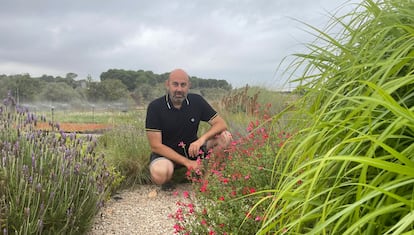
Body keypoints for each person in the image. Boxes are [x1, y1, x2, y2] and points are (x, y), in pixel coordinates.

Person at [145, 68, 232, 190]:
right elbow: (156, 146)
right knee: (160, 173)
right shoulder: (155, 107)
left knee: (226, 136)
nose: (179, 89)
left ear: (188, 86)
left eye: (183, 85)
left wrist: (201, 140)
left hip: (193, 150)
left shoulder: (196, 101)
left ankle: (206, 178)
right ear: (167, 84)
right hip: (166, 155)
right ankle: (169, 179)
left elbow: (221, 123)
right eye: (175, 84)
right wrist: (187, 163)